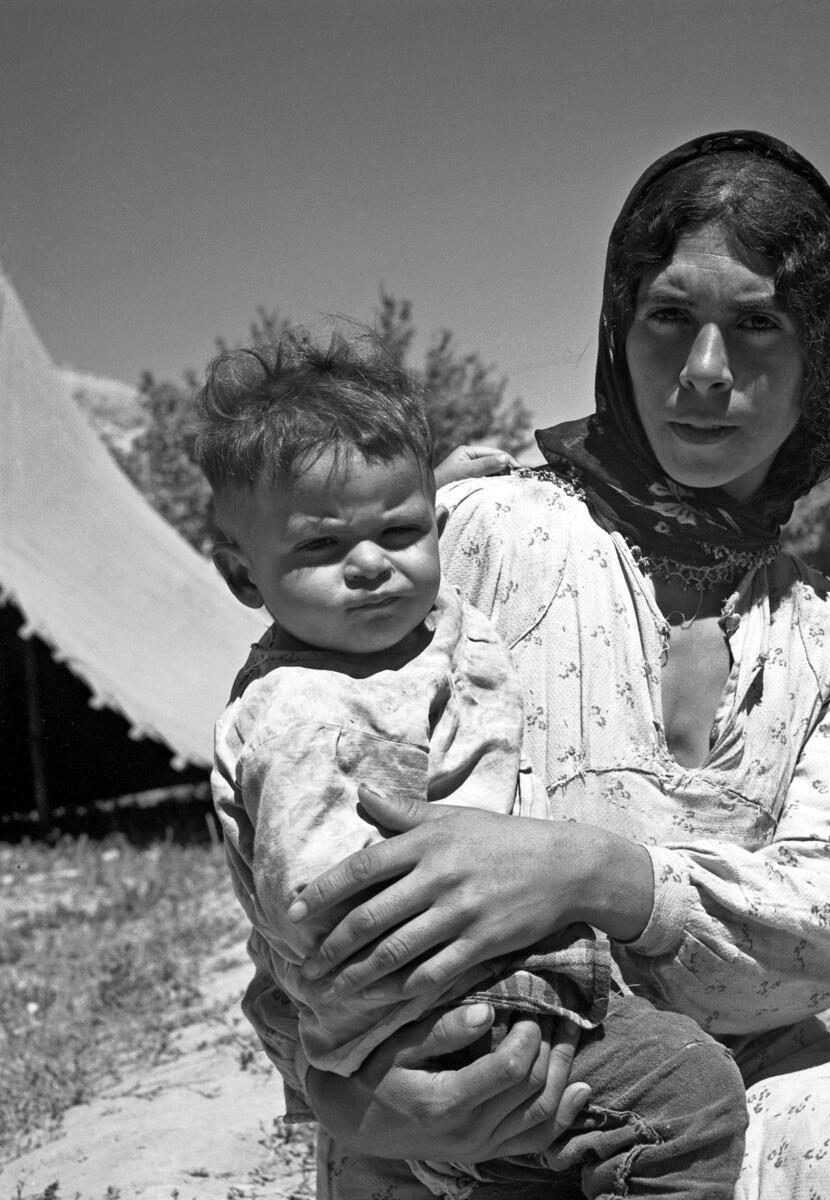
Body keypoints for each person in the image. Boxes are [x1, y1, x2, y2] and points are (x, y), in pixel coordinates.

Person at [239, 132, 830, 1200]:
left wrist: (597, 875)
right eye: (669, 316)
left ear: (824, 364)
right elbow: (287, 816)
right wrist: (346, 1094)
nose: (706, 371)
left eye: (758, 324)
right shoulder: (476, 537)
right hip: (464, 1120)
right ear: (620, 333)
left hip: (746, 1094)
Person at [194, 332, 749, 1199]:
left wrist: (433, 492)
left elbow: (421, 574)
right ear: (242, 576)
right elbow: (321, 907)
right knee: (691, 1094)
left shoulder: (403, 633)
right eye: (321, 547)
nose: (371, 564)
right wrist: (370, 1071)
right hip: (450, 1005)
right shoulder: (306, 711)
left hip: (486, 989)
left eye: (400, 529)